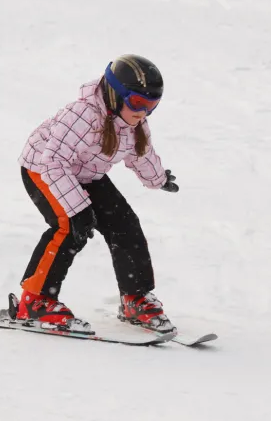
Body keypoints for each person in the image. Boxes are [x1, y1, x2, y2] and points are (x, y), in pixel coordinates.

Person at [11, 55, 180, 334]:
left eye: (152, 106)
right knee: (68, 227)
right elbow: (53, 161)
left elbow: (141, 154)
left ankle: (135, 298)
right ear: (115, 95)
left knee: (125, 225)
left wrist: (158, 179)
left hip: (86, 175)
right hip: (42, 169)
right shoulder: (82, 114)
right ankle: (35, 300)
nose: (144, 112)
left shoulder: (134, 124)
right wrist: (77, 210)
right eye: (138, 103)